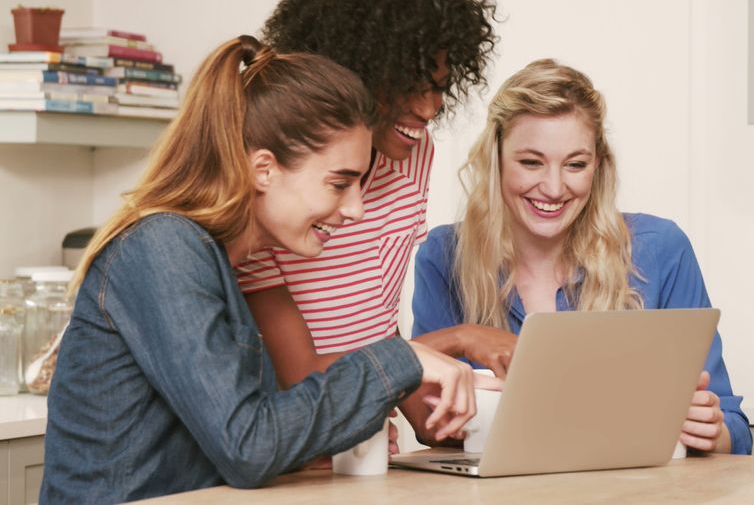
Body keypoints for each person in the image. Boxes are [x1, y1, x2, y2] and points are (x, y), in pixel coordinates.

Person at [40, 36, 497, 505]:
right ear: (264, 169)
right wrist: (401, 359)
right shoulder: (162, 248)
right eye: (339, 183)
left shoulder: (213, 258)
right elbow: (247, 445)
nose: (355, 209)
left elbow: (235, 436)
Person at [410, 58, 752, 455]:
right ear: (496, 160)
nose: (554, 188)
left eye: (575, 164)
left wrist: (713, 431)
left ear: (598, 166)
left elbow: (734, 427)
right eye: (531, 162)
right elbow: (427, 426)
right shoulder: (444, 256)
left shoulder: (661, 250)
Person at [234, 0, 497, 446]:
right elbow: (298, 372)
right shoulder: (277, 185)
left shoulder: (414, 155)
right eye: (411, 82)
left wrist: (420, 402)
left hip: (371, 447)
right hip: (296, 447)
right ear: (356, 66)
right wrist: (457, 341)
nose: (429, 108)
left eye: (440, 86)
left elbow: (372, 323)